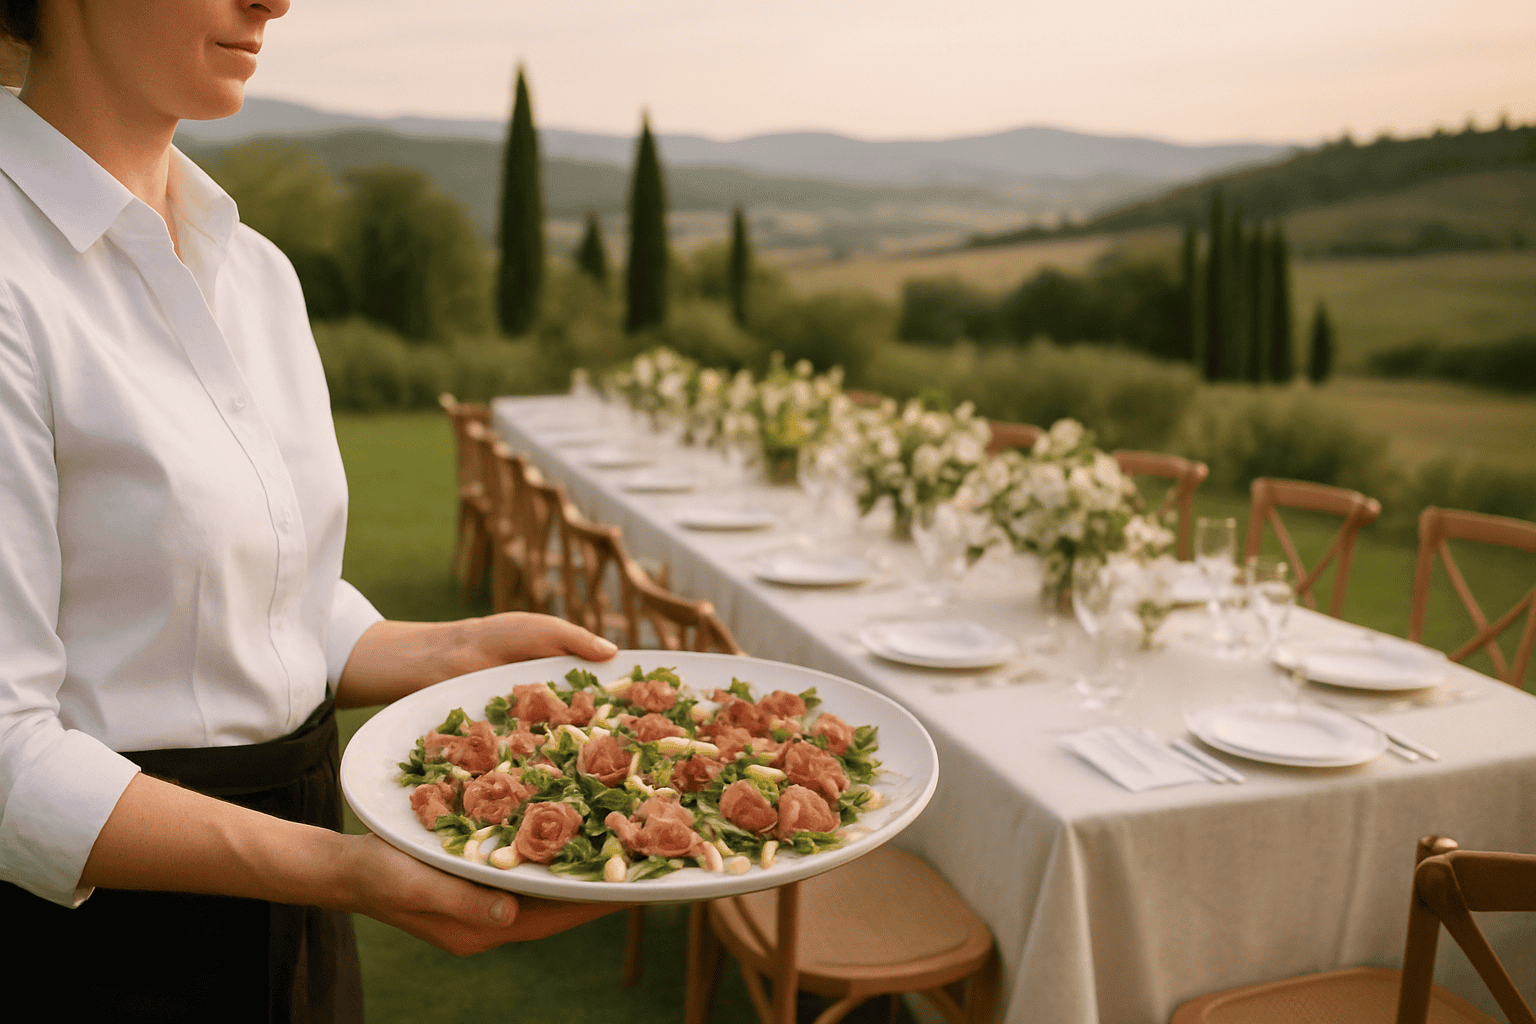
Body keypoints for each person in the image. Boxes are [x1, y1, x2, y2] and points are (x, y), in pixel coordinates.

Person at [0, 2, 620, 1020]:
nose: (275, 1)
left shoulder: (256, 274)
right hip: (94, 945)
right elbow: (7, 757)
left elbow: (248, 576)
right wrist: (346, 871)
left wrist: (441, 650)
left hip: (297, 901)